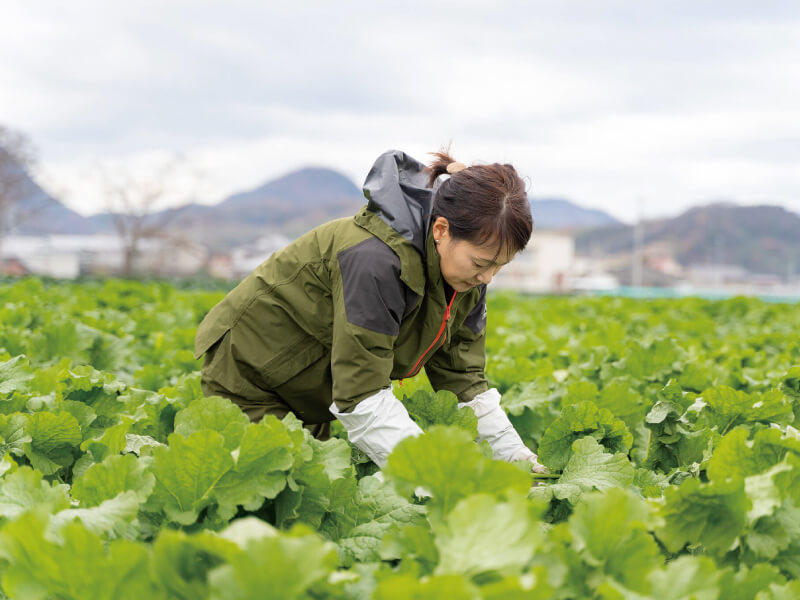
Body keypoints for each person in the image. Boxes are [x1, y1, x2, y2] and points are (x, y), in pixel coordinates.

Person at [194, 148, 547, 473]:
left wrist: (518, 460)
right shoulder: (375, 260)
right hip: (250, 376)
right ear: (441, 230)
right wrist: (436, 476)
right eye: (482, 263)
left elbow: (464, 380)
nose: (487, 277)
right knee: (267, 489)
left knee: (310, 489)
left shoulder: (465, 277)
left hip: (310, 392)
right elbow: (361, 394)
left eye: (500, 266)